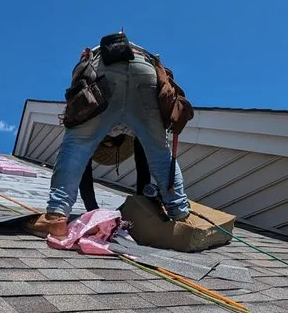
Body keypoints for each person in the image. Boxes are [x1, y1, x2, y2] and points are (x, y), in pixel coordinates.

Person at [31, 32, 191, 238]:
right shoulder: (135, 135)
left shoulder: (103, 131)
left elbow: (82, 164)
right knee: (160, 154)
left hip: (104, 70)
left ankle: (55, 218)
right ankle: (181, 216)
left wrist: (91, 211)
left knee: (76, 146)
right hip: (146, 69)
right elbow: (148, 168)